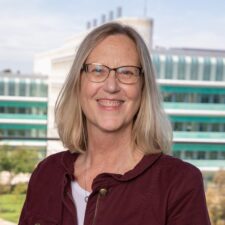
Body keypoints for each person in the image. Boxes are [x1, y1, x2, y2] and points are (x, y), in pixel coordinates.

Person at [19, 22, 211, 225]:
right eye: (98, 70)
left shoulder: (179, 183)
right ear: (79, 82)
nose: (111, 86)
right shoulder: (47, 173)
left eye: (126, 72)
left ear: (143, 88)